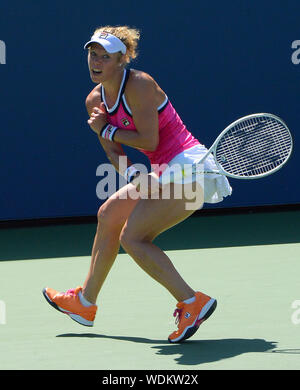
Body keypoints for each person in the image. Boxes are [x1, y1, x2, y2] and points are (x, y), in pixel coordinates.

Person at [43, 25, 232, 343]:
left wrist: (105, 130)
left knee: (134, 237)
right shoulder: (94, 100)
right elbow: (112, 149)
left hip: (191, 168)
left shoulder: (140, 84)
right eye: (92, 53)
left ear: (121, 59)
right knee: (109, 213)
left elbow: (148, 138)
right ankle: (85, 303)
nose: (96, 61)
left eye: (105, 56)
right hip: (164, 170)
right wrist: (132, 175)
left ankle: (191, 302)